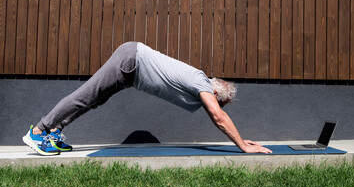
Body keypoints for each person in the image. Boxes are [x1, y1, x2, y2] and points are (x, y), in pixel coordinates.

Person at [22, 42, 272, 156]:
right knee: (84, 96)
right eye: (221, 102)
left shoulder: (201, 84)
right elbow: (218, 117)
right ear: (215, 94)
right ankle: (39, 130)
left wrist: (239, 138)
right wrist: (242, 145)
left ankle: (53, 130)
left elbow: (217, 115)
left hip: (131, 71)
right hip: (130, 60)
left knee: (93, 101)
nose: (217, 107)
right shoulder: (201, 83)